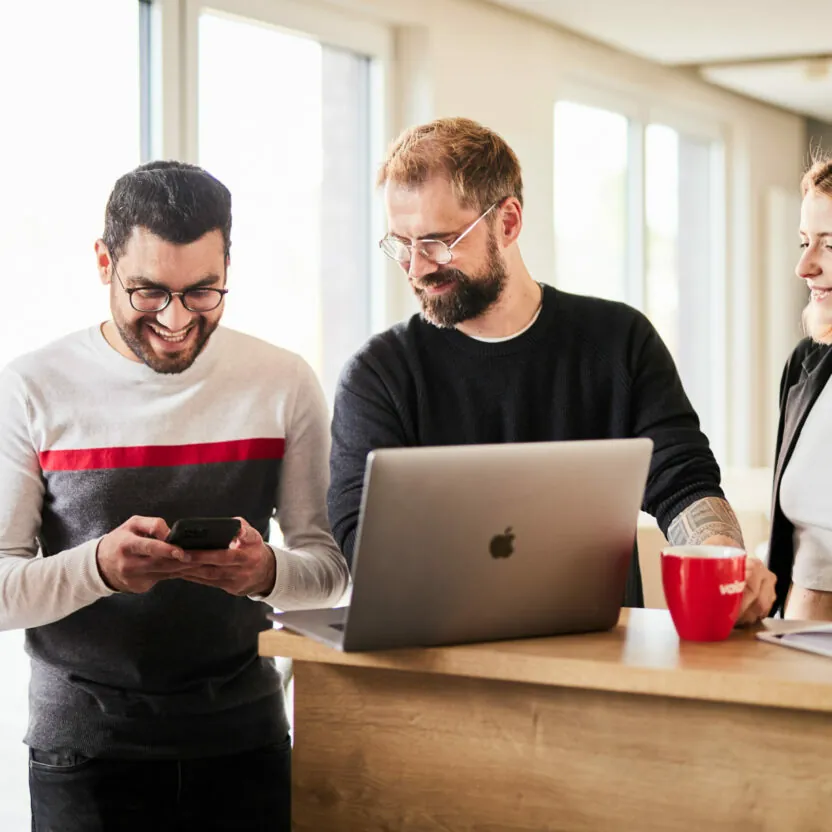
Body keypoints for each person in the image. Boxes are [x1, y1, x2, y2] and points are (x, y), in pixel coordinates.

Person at [0, 161, 349, 831]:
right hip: (84, 750)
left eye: (202, 292)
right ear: (104, 263)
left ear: (226, 269)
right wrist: (99, 568)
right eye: (149, 291)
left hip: (243, 736)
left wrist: (265, 571)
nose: (175, 318)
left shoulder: (282, 382)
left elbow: (330, 570)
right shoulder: (32, 388)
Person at [328, 116, 775, 622]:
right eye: (400, 245)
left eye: (436, 242)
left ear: (509, 222)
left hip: (599, 661)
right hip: (439, 668)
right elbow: (362, 537)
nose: (416, 267)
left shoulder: (619, 341)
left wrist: (722, 558)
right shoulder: (378, 376)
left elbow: (683, 482)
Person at [769, 155, 832, 620]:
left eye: (829, 246)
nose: (804, 266)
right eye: (804, 242)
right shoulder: (804, 363)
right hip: (794, 653)